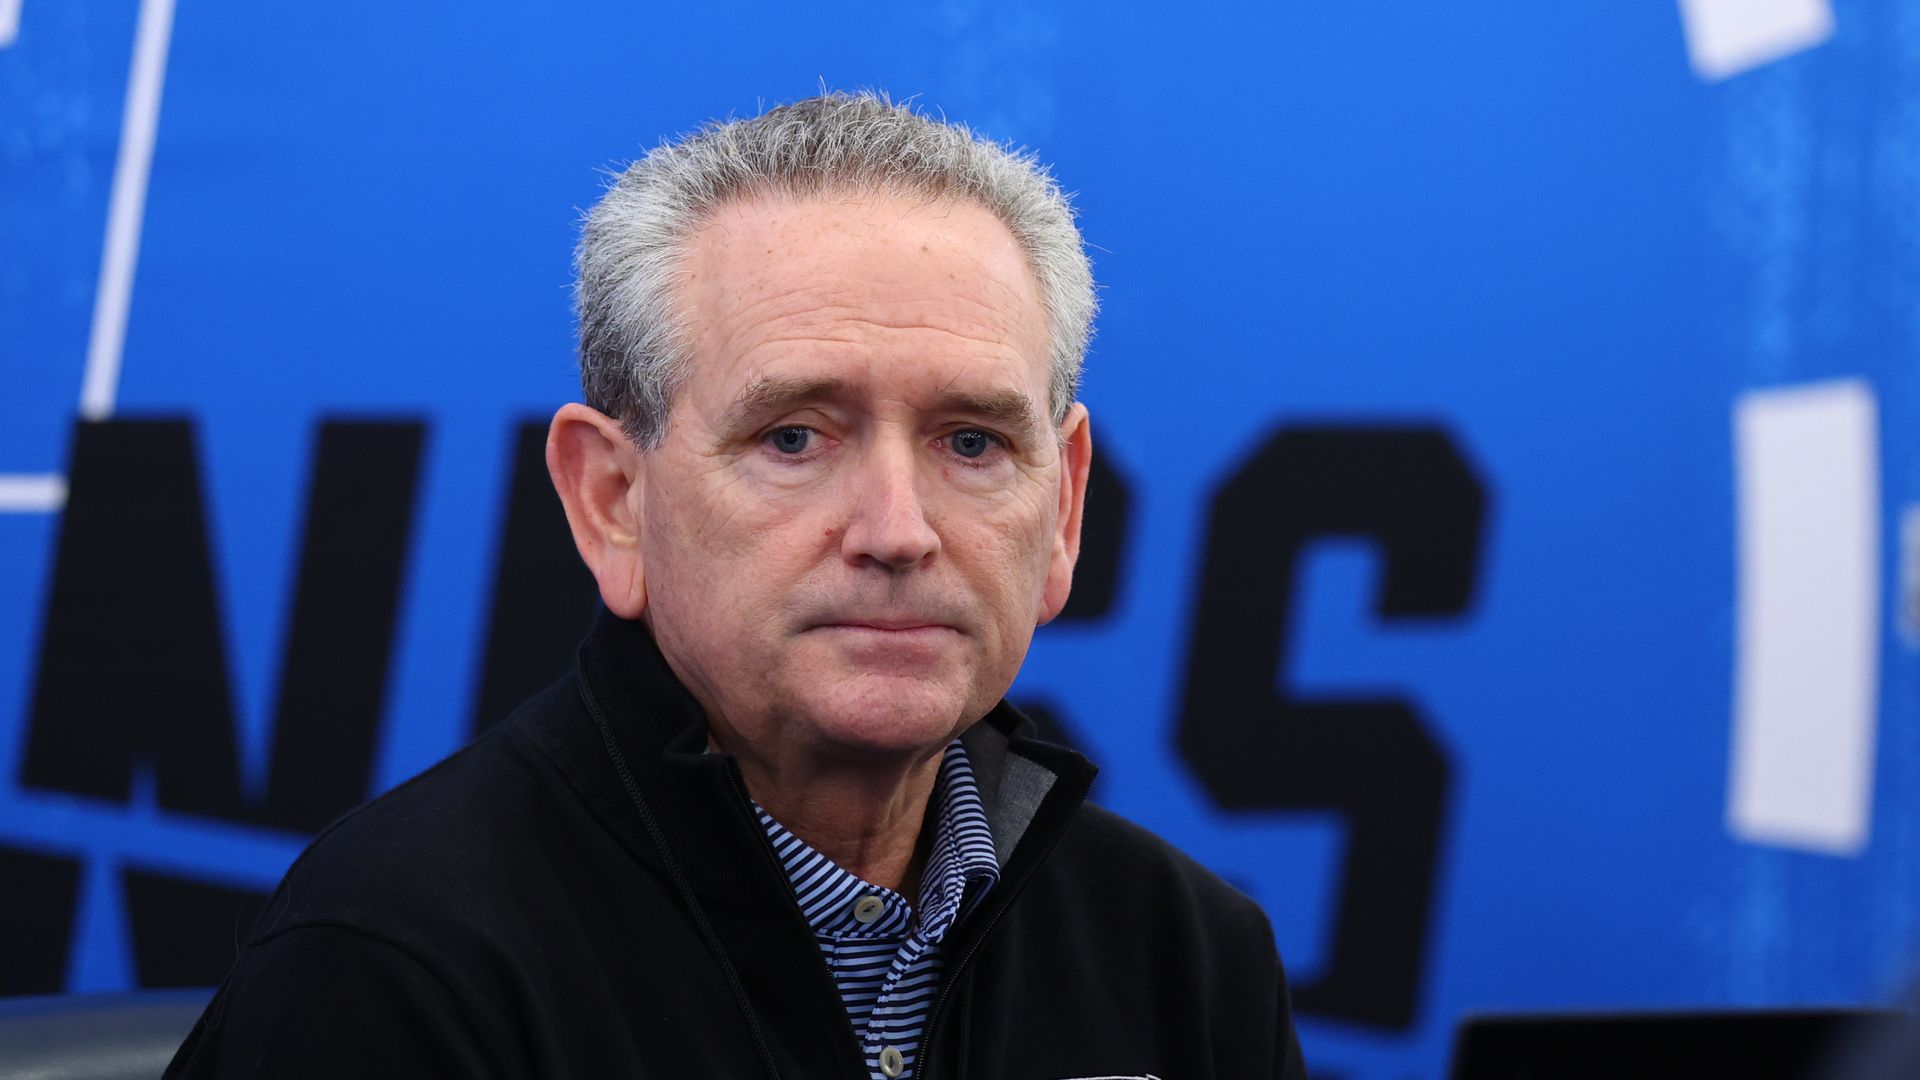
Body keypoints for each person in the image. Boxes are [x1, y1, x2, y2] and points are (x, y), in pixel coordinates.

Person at [166, 92, 1308, 1079]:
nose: (897, 533)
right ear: (612, 500)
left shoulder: (1187, 957)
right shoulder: (393, 965)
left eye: (972, 443)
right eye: (794, 437)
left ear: (1062, 510)